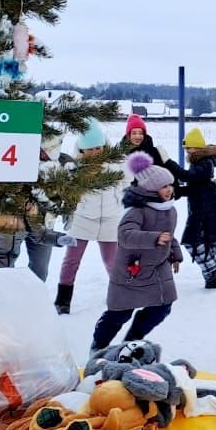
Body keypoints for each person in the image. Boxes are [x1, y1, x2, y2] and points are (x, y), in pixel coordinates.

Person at [89, 152, 183, 353]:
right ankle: (98, 347)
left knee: (162, 307)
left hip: (158, 268)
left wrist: (175, 253)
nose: (169, 190)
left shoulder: (170, 209)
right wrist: (154, 238)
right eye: (163, 186)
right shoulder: (137, 211)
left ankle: (132, 341)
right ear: (150, 189)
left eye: (170, 185)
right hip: (133, 270)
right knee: (120, 313)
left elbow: (169, 235)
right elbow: (125, 235)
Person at [55, 118, 125, 314]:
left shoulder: (116, 164)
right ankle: (63, 300)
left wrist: (120, 200)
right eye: (90, 149)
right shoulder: (74, 168)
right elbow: (67, 193)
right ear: (82, 150)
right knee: (71, 260)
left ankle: (119, 295)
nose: (95, 152)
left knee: (113, 262)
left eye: (98, 147)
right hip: (83, 219)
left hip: (110, 218)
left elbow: (126, 184)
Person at [178, 128, 216, 289]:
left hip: (205, 211)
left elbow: (189, 178)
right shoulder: (199, 163)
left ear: (199, 148)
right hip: (201, 208)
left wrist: (170, 165)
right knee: (205, 243)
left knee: (193, 242)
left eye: (190, 148)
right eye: (186, 148)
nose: (188, 151)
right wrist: (177, 191)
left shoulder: (204, 164)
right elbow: (194, 187)